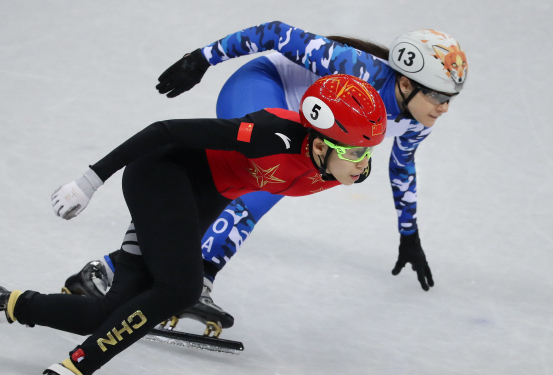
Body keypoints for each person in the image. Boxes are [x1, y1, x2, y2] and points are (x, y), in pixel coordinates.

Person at [0, 75, 387, 375]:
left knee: (112, 313)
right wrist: (89, 180)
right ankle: (69, 373)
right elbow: (165, 130)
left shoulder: (342, 168)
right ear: (319, 140)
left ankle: (5, 303)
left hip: (201, 196)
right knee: (179, 288)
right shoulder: (273, 136)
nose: (361, 164)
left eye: (368, 152)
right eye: (352, 151)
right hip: (162, 173)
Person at [72, 23, 469, 325]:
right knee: (263, 182)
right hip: (265, 85)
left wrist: (409, 235)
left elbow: (402, 168)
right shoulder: (357, 68)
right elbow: (276, 33)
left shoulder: (419, 119)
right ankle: (176, 274)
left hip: (305, 128)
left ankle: (116, 270)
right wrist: (202, 59)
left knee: (249, 189)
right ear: (404, 82)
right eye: (437, 96)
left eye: (449, 98)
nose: (443, 108)